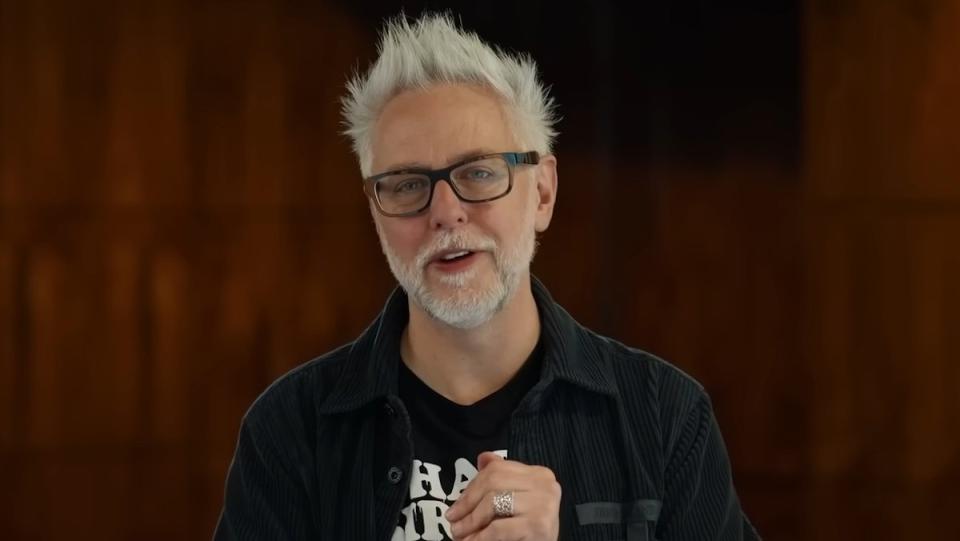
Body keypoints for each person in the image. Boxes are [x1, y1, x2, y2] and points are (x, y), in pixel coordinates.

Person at [214, 12, 759, 541]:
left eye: (478, 173)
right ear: (375, 210)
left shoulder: (664, 419)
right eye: (406, 184)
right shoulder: (289, 430)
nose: (445, 212)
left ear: (542, 192)